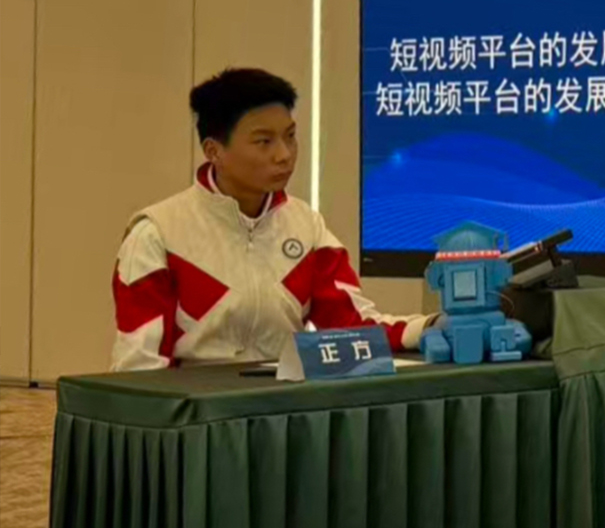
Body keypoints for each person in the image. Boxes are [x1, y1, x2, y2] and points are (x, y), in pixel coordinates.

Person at [111, 68, 436, 370]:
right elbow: (139, 368)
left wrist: (429, 327)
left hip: (282, 405)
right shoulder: (158, 234)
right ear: (213, 151)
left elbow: (351, 327)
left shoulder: (306, 227)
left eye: (290, 136)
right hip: (196, 409)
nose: (284, 154)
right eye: (264, 142)